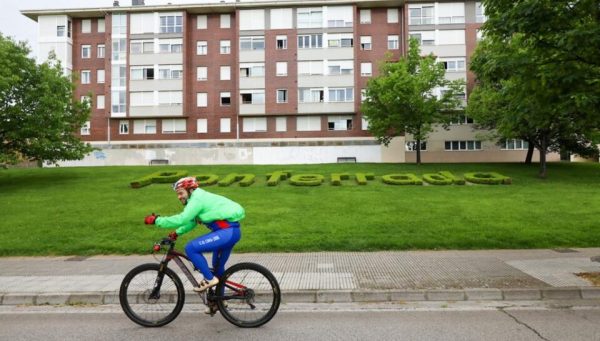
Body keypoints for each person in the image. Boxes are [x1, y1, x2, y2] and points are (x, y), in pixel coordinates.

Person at [144, 176, 245, 294]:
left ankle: (209, 279)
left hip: (227, 233)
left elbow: (183, 219)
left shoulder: (197, 199)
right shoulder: (198, 198)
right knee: (217, 268)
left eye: (181, 193)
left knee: (191, 248)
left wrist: (157, 220)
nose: (179, 197)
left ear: (190, 190)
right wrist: (177, 232)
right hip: (231, 232)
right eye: (177, 194)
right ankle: (219, 302)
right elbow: (191, 221)